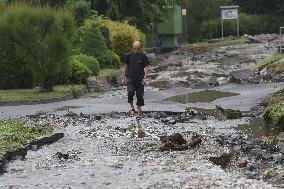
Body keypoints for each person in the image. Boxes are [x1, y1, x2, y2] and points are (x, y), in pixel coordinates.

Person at [123, 41, 150, 119]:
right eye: (134, 49)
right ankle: (132, 108)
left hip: (140, 79)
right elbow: (125, 66)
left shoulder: (143, 56)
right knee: (130, 92)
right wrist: (124, 77)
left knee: (140, 95)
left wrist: (145, 77)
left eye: (137, 49)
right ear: (132, 48)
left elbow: (146, 67)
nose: (136, 50)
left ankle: (139, 112)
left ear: (140, 48)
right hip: (130, 78)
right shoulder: (128, 55)